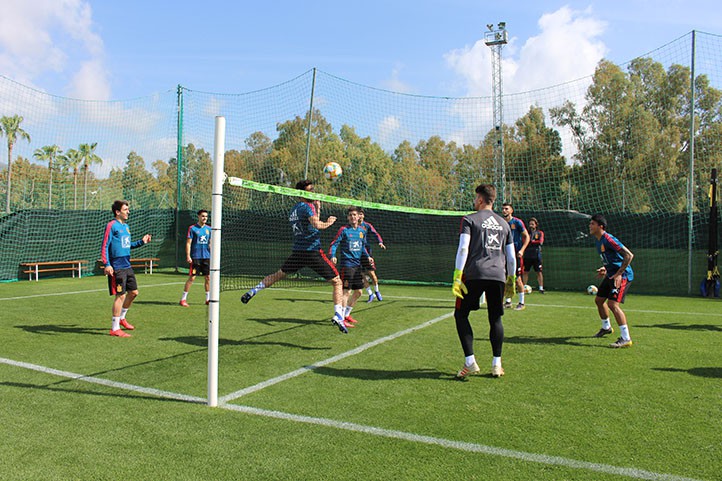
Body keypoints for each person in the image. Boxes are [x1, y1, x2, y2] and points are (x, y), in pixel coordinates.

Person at [240, 180, 348, 333]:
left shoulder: (294, 209)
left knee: (278, 275)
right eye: (310, 190)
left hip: (298, 252)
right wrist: (329, 222)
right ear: (302, 193)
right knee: (337, 282)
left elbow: (310, 224)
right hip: (312, 252)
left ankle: (253, 291)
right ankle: (338, 315)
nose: (313, 192)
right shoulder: (306, 207)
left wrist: (317, 208)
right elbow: (318, 226)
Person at [452, 184, 516, 379]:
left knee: (461, 315)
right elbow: (511, 257)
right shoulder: (504, 224)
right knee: (495, 318)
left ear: (480, 199)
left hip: (474, 274)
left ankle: (470, 361)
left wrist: (457, 275)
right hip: (498, 275)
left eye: (475, 198)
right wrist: (511, 279)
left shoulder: (470, 219)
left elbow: (464, 248)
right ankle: (497, 364)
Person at [100, 200, 152, 338]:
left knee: (134, 292)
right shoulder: (111, 226)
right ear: (117, 212)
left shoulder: (126, 227)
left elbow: (127, 246)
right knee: (120, 295)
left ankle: (122, 318)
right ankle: (114, 328)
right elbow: (105, 245)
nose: (128, 211)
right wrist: (107, 264)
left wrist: (142, 242)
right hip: (116, 267)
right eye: (125, 209)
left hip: (127, 265)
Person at [589, 214, 635, 348]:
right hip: (611, 274)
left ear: (600, 226)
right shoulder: (598, 240)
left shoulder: (608, 239)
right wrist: (605, 268)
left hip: (623, 275)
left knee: (613, 305)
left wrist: (619, 273)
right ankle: (606, 327)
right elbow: (613, 258)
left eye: (592, 224)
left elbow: (629, 255)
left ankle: (626, 338)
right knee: (598, 300)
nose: (590, 226)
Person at [329, 207, 370, 327]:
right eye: (350, 215)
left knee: (358, 292)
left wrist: (367, 257)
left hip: (357, 266)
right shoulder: (344, 230)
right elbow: (334, 243)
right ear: (348, 217)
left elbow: (362, 247)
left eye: (354, 215)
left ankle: (346, 315)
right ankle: (340, 318)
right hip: (347, 265)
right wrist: (332, 255)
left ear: (359, 217)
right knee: (346, 292)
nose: (352, 217)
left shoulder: (362, 231)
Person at [501, 203, 530, 310]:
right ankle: (508, 301)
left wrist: (522, 250)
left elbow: (527, 237)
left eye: (506, 209)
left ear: (511, 210)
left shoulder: (517, 222)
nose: (504, 211)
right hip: (504, 254)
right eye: (503, 209)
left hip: (516, 254)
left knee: (517, 278)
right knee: (505, 277)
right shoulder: (500, 222)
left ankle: (521, 303)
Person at [180, 209, 211, 307]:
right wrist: (188, 256)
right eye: (202, 216)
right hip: (196, 257)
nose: (204, 218)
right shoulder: (193, 228)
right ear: (198, 216)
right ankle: (183, 299)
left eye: (206, 216)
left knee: (208, 278)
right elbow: (188, 243)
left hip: (206, 257)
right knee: (192, 277)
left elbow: (210, 242)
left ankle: (208, 299)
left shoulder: (209, 229)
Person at [358, 208, 386, 302]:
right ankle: (370, 294)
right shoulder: (352, 226)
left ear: (363, 215)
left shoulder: (367, 225)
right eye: (358, 214)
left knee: (372, 274)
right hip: (357, 253)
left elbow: (376, 233)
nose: (359, 216)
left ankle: (377, 291)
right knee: (361, 275)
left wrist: (380, 242)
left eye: (361, 214)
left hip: (367, 252)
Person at [522, 217, 545, 294]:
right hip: (527, 255)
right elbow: (524, 241)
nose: (531, 225)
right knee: (525, 271)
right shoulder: (526, 233)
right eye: (530, 224)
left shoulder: (540, 233)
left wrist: (531, 241)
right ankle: (523, 287)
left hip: (536, 255)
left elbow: (540, 242)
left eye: (532, 224)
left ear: (536, 225)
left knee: (539, 271)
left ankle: (541, 288)